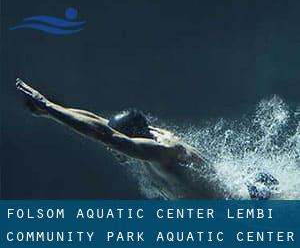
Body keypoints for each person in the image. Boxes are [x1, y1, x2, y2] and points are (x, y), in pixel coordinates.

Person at [15, 78, 278, 199]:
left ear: (132, 138)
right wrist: (51, 111)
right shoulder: (146, 137)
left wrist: (48, 107)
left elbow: (105, 135)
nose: (110, 149)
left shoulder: (162, 152)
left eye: (115, 144)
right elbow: (98, 123)